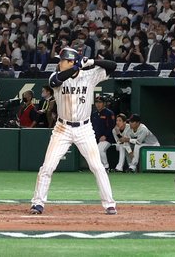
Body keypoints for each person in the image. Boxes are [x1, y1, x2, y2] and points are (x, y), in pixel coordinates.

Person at [30, 48, 118, 216]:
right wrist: (76, 67)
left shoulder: (89, 75)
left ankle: (109, 204)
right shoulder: (56, 75)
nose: (59, 62)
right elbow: (56, 81)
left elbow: (113, 66)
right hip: (62, 129)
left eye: (62, 60)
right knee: (47, 167)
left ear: (71, 61)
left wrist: (91, 62)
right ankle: (37, 203)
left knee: (97, 166)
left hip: (84, 128)